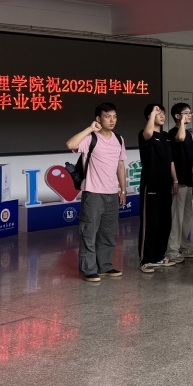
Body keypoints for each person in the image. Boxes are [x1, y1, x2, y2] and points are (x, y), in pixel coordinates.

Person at [66, 103, 127, 282]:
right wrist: (90, 129)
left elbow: (120, 165)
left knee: (108, 233)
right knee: (89, 233)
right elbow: (70, 144)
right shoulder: (90, 139)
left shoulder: (119, 139)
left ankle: (105, 266)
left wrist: (123, 190)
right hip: (93, 193)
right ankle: (88, 269)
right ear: (98, 119)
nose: (112, 120)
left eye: (114, 116)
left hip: (112, 194)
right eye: (107, 116)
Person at [138, 104, 179, 273]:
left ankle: (159, 256)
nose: (162, 116)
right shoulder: (144, 134)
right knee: (151, 223)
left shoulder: (166, 136)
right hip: (151, 184)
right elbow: (148, 134)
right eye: (158, 113)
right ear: (150, 116)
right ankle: (146, 260)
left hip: (165, 184)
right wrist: (152, 114)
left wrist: (175, 180)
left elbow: (170, 160)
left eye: (163, 113)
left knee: (165, 222)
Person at [165, 103, 193, 264]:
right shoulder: (173, 134)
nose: (190, 115)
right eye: (186, 113)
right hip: (178, 181)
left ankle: (185, 247)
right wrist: (175, 180)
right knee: (176, 217)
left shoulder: (189, 134)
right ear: (177, 116)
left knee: (187, 217)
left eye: (190, 112)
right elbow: (180, 138)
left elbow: (189, 156)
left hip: (188, 180)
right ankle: (172, 250)